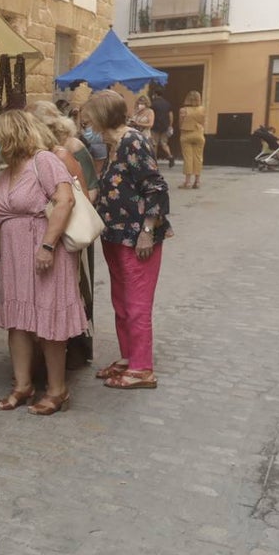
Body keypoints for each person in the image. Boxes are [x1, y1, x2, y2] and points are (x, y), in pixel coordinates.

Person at [0, 110, 87, 416]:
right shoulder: (8, 172)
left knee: (49, 323)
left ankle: (57, 390)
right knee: (17, 322)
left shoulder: (44, 161)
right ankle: (23, 385)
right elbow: (3, 220)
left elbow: (65, 200)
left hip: (45, 253)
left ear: (12, 135)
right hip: (15, 258)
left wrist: (47, 245)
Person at [82, 90, 172, 390]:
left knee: (137, 304)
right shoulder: (114, 143)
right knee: (121, 302)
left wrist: (147, 232)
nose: (86, 121)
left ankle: (142, 369)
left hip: (136, 237)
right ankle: (128, 357)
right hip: (115, 234)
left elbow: (156, 187)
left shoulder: (133, 141)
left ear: (102, 116)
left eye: (89, 115)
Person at [28, 101, 99, 370]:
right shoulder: (37, 155)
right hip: (48, 235)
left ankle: (74, 351)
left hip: (69, 234)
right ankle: (41, 356)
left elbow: (87, 192)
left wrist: (59, 218)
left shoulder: (68, 151)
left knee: (72, 293)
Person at [177, 90, 206, 189]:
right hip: (199, 134)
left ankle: (187, 182)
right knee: (198, 157)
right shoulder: (202, 109)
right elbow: (203, 122)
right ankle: (197, 181)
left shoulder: (183, 110)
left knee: (188, 158)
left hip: (186, 134)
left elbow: (180, 124)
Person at [150, 89, 176, 168]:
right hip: (165, 127)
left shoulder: (153, 104)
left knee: (154, 144)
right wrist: (170, 125)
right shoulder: (167, 104)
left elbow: (151, 114)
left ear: (155, 94)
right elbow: (171, 115)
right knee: (164, 143)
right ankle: (170, 156)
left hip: (155, 126)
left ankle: (154, 161)